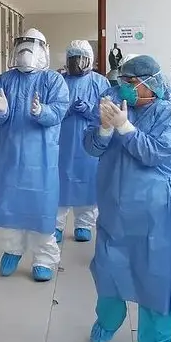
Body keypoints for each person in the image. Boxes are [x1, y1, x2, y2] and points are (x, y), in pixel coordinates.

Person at [83, 55, 171, 342]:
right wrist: (104, 129)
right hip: (115, 210)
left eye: (131, 82)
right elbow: (91, 148)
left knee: (155, 277)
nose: (124, 88)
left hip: (157, 214)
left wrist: (125, 127)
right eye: (122, 82)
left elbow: (154, 153)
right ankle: (108, 319)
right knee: (107, 268)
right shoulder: (114, 105)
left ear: (151, 84)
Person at [0, 28, 70, 282]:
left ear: (43, 51)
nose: (25, 54)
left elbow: (60, 110)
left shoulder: (53, 80)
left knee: (40, 207)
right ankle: (12, 249)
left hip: (41, 158)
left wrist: (42, 111)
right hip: (8, 157)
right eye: (21, 49)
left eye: (30, 49)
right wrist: (0, 112)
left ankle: (43, 258)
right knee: (8, 205)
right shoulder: (3, 80)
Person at [56, 40, 110, 243]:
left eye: (82, 59)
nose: (78, 64)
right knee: (60, 182)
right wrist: (67, 110)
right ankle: (56, 225)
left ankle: (84, 224)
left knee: (88, 182)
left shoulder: (100, 82)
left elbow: (107, 112)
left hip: (90, 141)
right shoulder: (59, 81)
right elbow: (50, 109)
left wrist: (90, 110)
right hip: (63, 140)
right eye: (74, 59)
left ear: (90, 60)